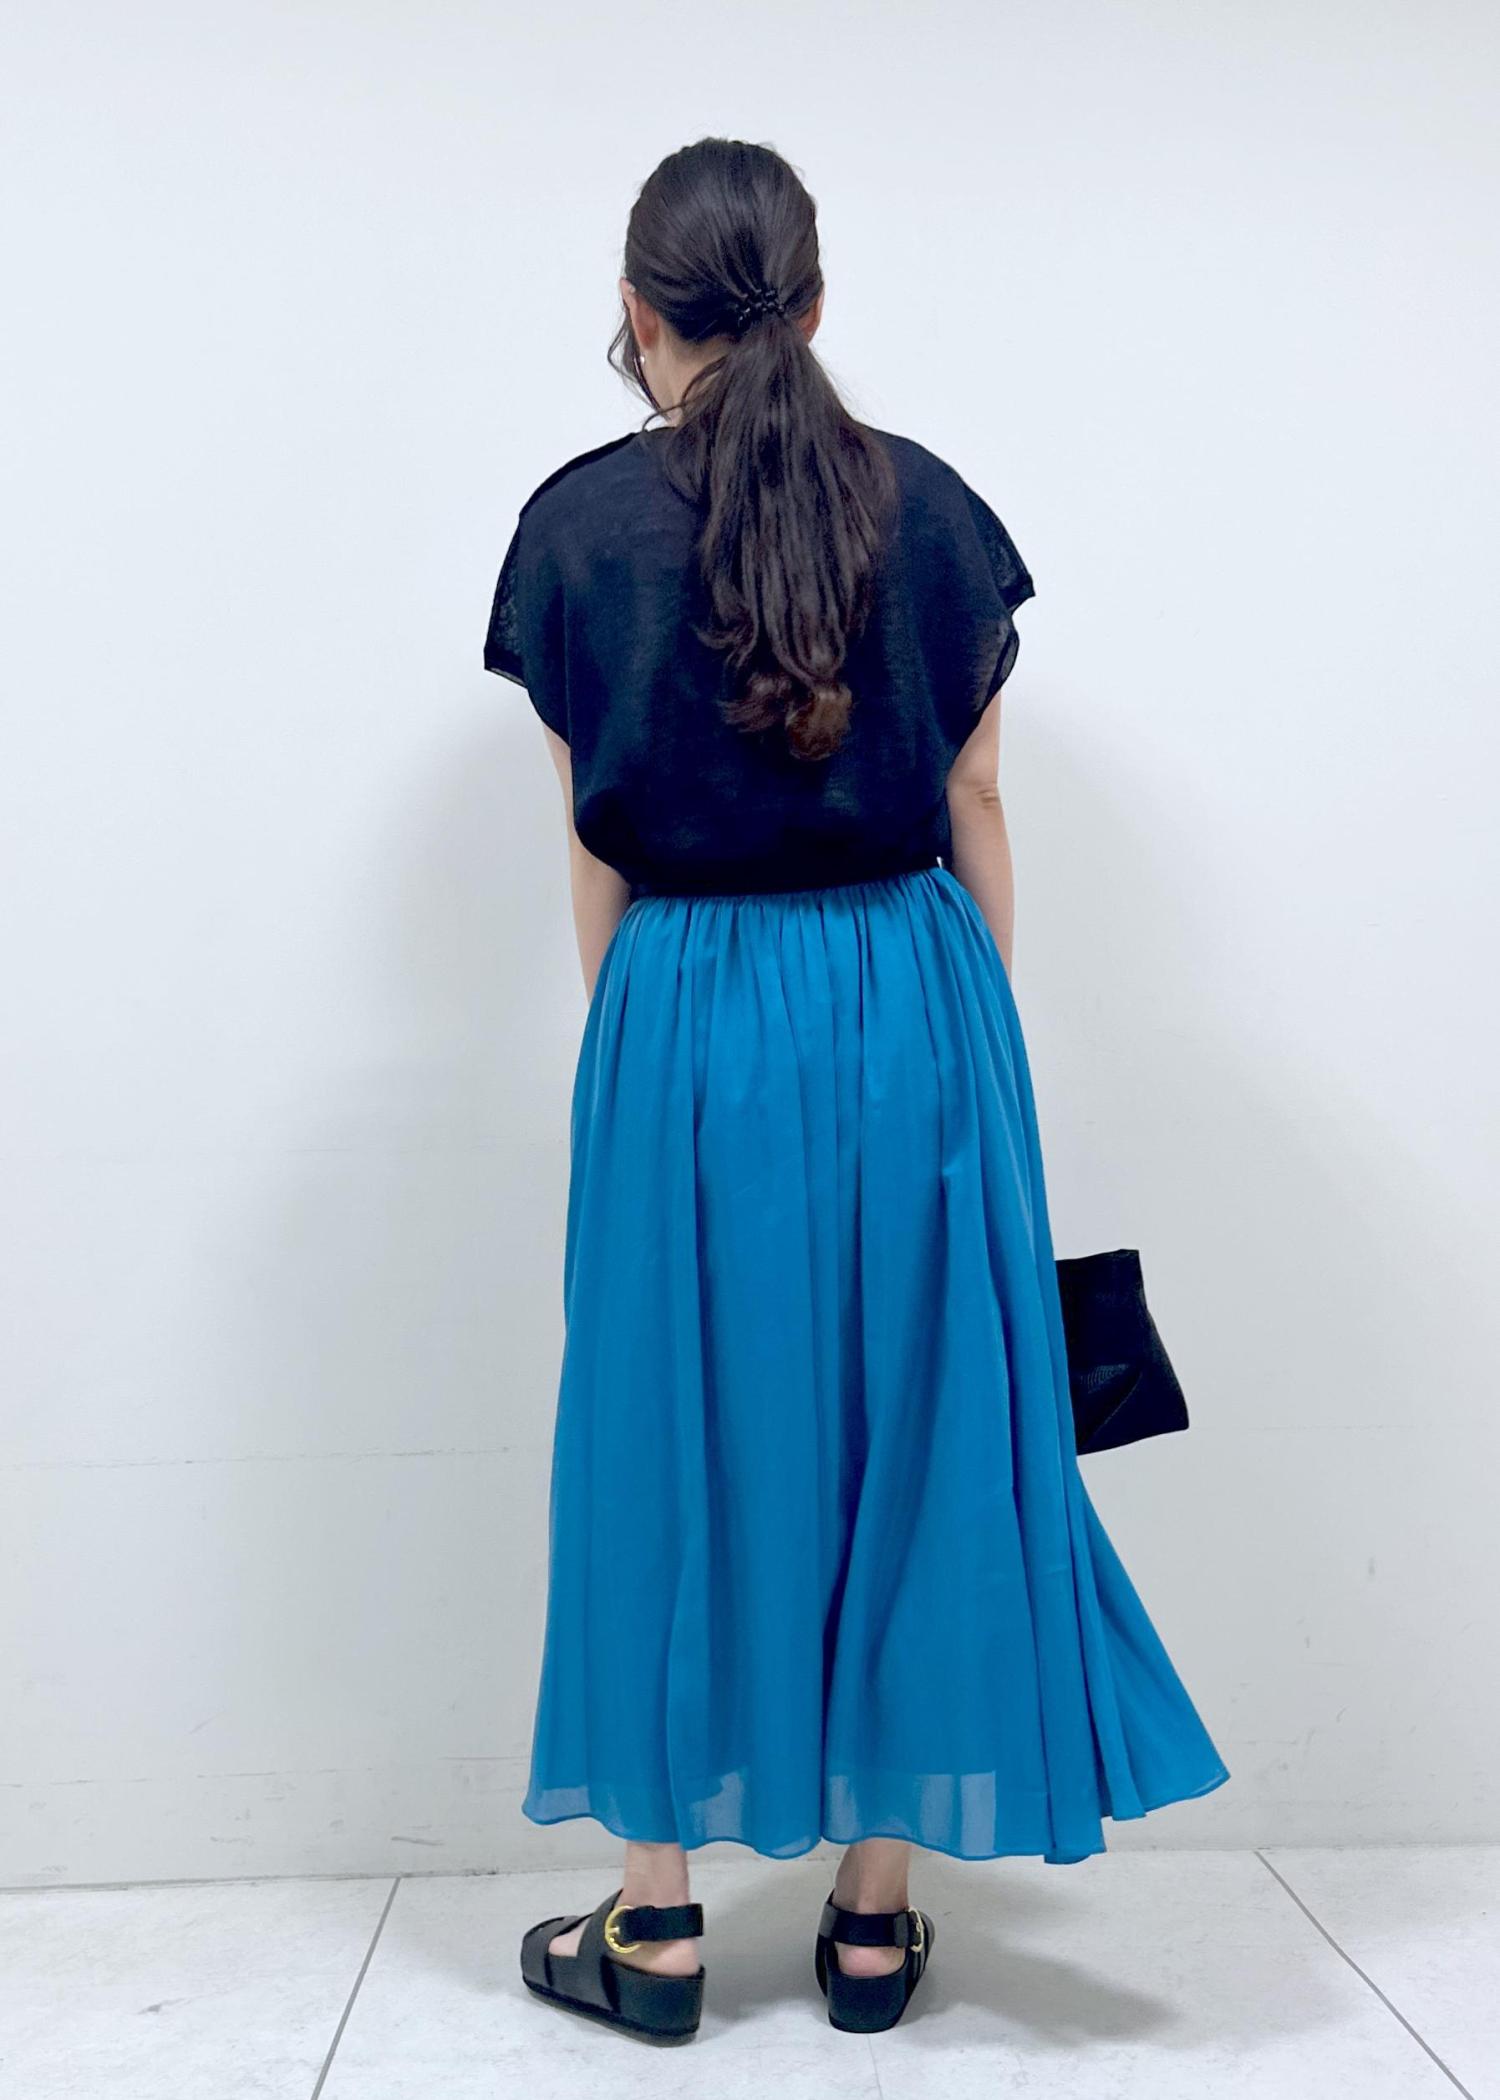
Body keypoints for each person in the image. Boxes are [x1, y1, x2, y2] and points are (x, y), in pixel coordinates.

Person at [484, 136, 1230, 2045]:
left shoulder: (574, 530)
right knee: (918, 1423)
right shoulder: (939, 510)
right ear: (815, 304)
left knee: (663, 1431)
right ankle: (878, 1927)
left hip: (682, 1005)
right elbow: (976, 795)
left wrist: (643, 1043)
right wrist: (967, 1027)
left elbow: (594, 834)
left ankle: (659, 1931)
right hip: (914, 992)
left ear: (637, 311)